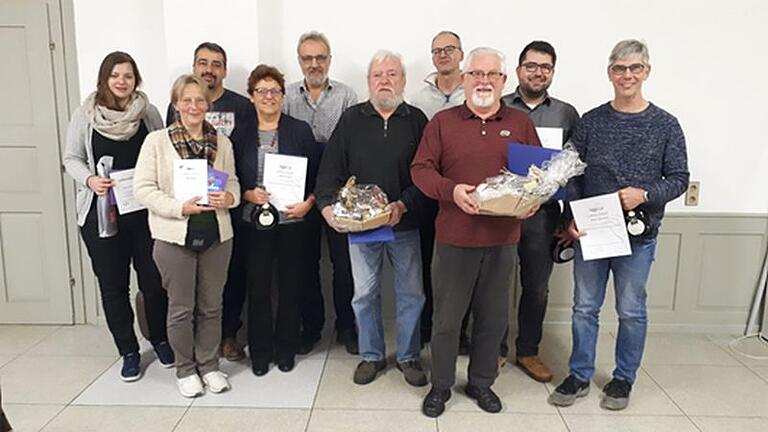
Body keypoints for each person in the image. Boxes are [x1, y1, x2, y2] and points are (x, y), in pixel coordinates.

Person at [548, 39, 689, 411]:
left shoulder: (666, 125)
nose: (627, 75)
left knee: (630, 310)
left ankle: (623, 378)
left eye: (635, 68)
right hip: (591, 232)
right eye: (619, 68)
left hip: (638, 236)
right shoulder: (592, 121)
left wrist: (644, 194)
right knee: (584, 308)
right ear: (609, 72)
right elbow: (571, 173)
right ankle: (579, 374)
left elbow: (679, 178)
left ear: (646, 72)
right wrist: (573, 217)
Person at [411, 47, 541, 417]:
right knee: (447, 320)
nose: (483, 81)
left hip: (503, 240)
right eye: (476, 74)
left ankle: (482, 383)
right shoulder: (442, 122)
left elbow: (538, 177)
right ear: (464, 78)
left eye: (491, 75)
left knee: (493, 319)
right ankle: (440, 386)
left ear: (504, 80)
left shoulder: (519, 123)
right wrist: (450, 191)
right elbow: (420, 169)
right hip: (454, 237)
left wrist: (535, 201)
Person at [315, 50, 429, 387]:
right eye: (378, 75)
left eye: (392, 74)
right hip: (362, 229)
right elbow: (329, 173)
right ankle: (372, 355)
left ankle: (408, 357)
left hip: (404, 224)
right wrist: (326, 208)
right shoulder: (351, 119)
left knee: (412, 294)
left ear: (403, 81)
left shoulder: (417, 120)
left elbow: (426, 176)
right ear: (368, 82)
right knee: (363, 294)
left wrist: (402, 206)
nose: (385, 80)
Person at [63, 51, 172, 382]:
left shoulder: (148, 112)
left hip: (144, 214)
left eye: (127, 75)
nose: (122, 82)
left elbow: (163, 152)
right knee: (113, 287)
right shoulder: (86, 114)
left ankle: (161, 339)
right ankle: (128, 351)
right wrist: (90, 180)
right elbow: (71, 157)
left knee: (154, 282)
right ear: (104, 79)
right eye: (115, 76)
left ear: (135, 79)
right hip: (102, 215)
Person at [135, 74, 241, 398]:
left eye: (200, 100)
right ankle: (185, 369)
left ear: (208, 104)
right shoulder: (157, 142)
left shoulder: (221, 142)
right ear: (176, 104)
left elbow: (233, 181)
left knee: (211, 306)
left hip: (217, 236)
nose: (194, 106)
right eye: (187, 100)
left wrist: (230, 198)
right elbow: (143, 189)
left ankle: (209, 366)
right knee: (180, 308)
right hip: (174, 237)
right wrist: (180, 207)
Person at [166, 42, 256, 362]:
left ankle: (228, 335)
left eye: (216, 64)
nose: (209, 69)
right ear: (194, 68)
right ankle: (190, 347)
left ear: (224, 71)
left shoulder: (242, 106)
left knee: (230, 275)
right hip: (186, 209)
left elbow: (244, 154)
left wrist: (236, 194)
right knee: (187, 284)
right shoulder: (175, 108)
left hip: (228, 206)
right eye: (203, 63)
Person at [498, 40, 580, 382]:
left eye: (545, 67)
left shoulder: (566, 114)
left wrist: (567, 215)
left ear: (552, 72)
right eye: (531, 66)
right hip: (501, 211)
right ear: (518, 70)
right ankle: (496, 348)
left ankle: (528, 351)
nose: (538, 72)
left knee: (537, 287)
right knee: (495, 284)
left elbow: (577, 168)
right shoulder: (499, 106)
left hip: (543, 216)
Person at [239, 65, 319, 376]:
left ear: (283, 96)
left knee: (290, 287)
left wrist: (309, 204)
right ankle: (260, 351)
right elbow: (232, 178)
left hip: (292, 222)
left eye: (275, 91)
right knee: (257, 288)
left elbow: (317, 177)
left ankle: (286, 348)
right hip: (253, 222)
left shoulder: (299, 130)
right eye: (262, 91)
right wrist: (248, 195)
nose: (269, 97)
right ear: (251, 97)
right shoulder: (241, 133)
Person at [283, 31, 359, 355]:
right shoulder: (285, 96)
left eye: (321, 57)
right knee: (304, 263)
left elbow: (355, 145)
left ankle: (347, 327)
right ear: (299, 60)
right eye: (307, 58)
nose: (314, 64)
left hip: (338, 191)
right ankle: (311, 327)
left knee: (344, 265)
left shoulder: (347, 95)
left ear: (329, 59)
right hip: (296, 193)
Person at [410, 30, 467, 350]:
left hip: (465, 192)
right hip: (428, 193)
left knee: (462, 266)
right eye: (437, 51)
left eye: (449, 49)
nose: (443, 55)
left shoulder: (475, 90)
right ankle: (428, 324)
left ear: (461, 54)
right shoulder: (419, 99)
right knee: (427, 262)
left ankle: (460, 330)